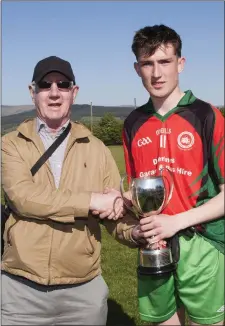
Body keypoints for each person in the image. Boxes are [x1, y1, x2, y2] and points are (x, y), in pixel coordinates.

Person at [1, 55, 138, 325]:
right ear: (33, 92)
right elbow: (25, 197)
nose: (54, 93)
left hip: (83, 294)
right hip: (20, 292)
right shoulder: (11, 144)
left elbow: (114, 213)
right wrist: (91, 200)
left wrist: (136, 232)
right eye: (45, 85)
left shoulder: (96, 148)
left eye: (63, 85)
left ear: (73, 93)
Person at [121, 25, 225, 325]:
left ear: (180, 63)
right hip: (153, 246)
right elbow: (136, 191)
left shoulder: (207, 116)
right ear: (137, 68)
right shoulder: (132, 123)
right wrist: (120, 199)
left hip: (202, 244)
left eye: (165, 62)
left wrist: (176, 221)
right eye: (147, 63)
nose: (156, 73)